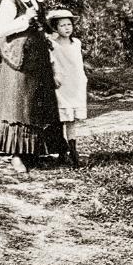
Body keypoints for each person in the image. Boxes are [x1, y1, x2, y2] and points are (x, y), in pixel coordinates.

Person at [0, 0, 63, 173]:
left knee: (35, 102)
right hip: (17, 58)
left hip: (37, 56)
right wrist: (23, 19)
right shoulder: (11, 1)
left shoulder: (36, 0)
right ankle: (16, 154)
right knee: (18, 103)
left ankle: (33, 151)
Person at [46, 9, 87, 168]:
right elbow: (51, 63)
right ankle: (62, 151)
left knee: (72, 120)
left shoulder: (76, 43)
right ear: (56, 28)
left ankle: (74, 151)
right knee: (62, 117)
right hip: (61, 83)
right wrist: (54, 76)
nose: (67, 28)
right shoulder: (53, 44)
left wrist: (83, 78)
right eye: (62, 25)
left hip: (75, 83)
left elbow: (78, 63)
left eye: (69, 24)